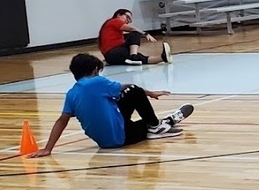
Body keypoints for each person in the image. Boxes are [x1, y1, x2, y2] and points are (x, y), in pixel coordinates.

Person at [28, 54, 194, 157]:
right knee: (136, 93)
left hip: (104, 141)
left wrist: (48, 148)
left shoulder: (71, 93)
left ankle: (156, 126)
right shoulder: (97, 82)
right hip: (121, 138)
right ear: (94, 70)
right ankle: (160, 124)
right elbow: (127, 87)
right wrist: (150, 93)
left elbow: (61, 121)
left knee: (124, 98)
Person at [98, 8, 170, 66]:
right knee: (135, 33)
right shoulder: (114, 21)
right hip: (114, 51)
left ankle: (163, 58)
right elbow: (132, 29)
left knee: (141, 58)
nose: (128, 21)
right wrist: (146, 34)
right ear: (118, 15)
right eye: (127, 17)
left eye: (129, 20)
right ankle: (134, 56)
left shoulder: (108, 27)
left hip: (111, 57)